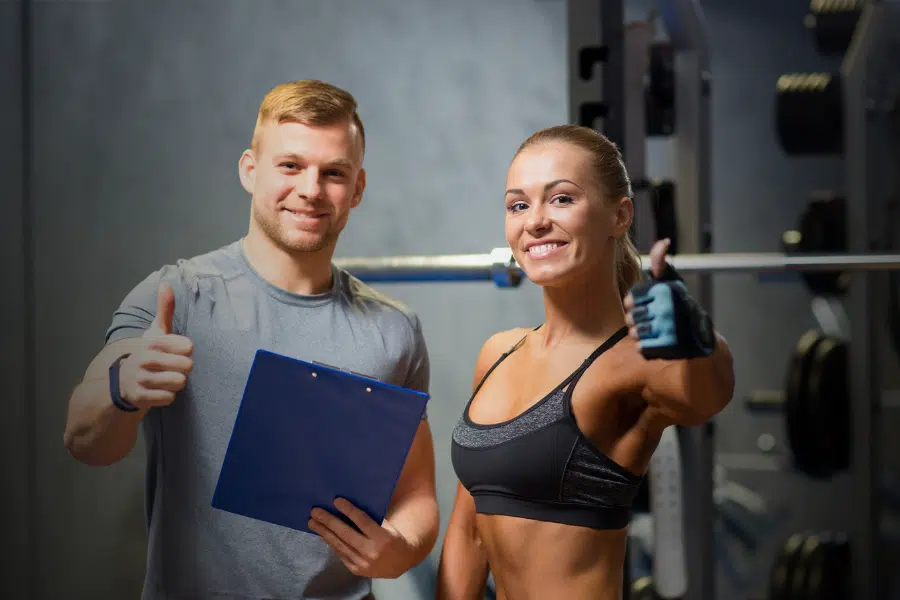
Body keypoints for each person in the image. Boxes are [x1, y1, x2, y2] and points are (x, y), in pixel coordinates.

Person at [63, 79, 439, 600]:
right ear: (249, 169)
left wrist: (401, 548)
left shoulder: (394, 330)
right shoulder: (177, 297)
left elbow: (416, 495)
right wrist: (122, 386)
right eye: (290, 166)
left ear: (357, 188)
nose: (310, 189)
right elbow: (85, 440)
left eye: (333, 173)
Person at [436, 124, 735, 600]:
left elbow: (706, 395)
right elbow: (469, 532)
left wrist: (701, 340)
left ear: (620, 215)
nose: (534, 221)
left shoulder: (636, 361)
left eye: (560, 199)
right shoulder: (499, 352)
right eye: (518, 204)